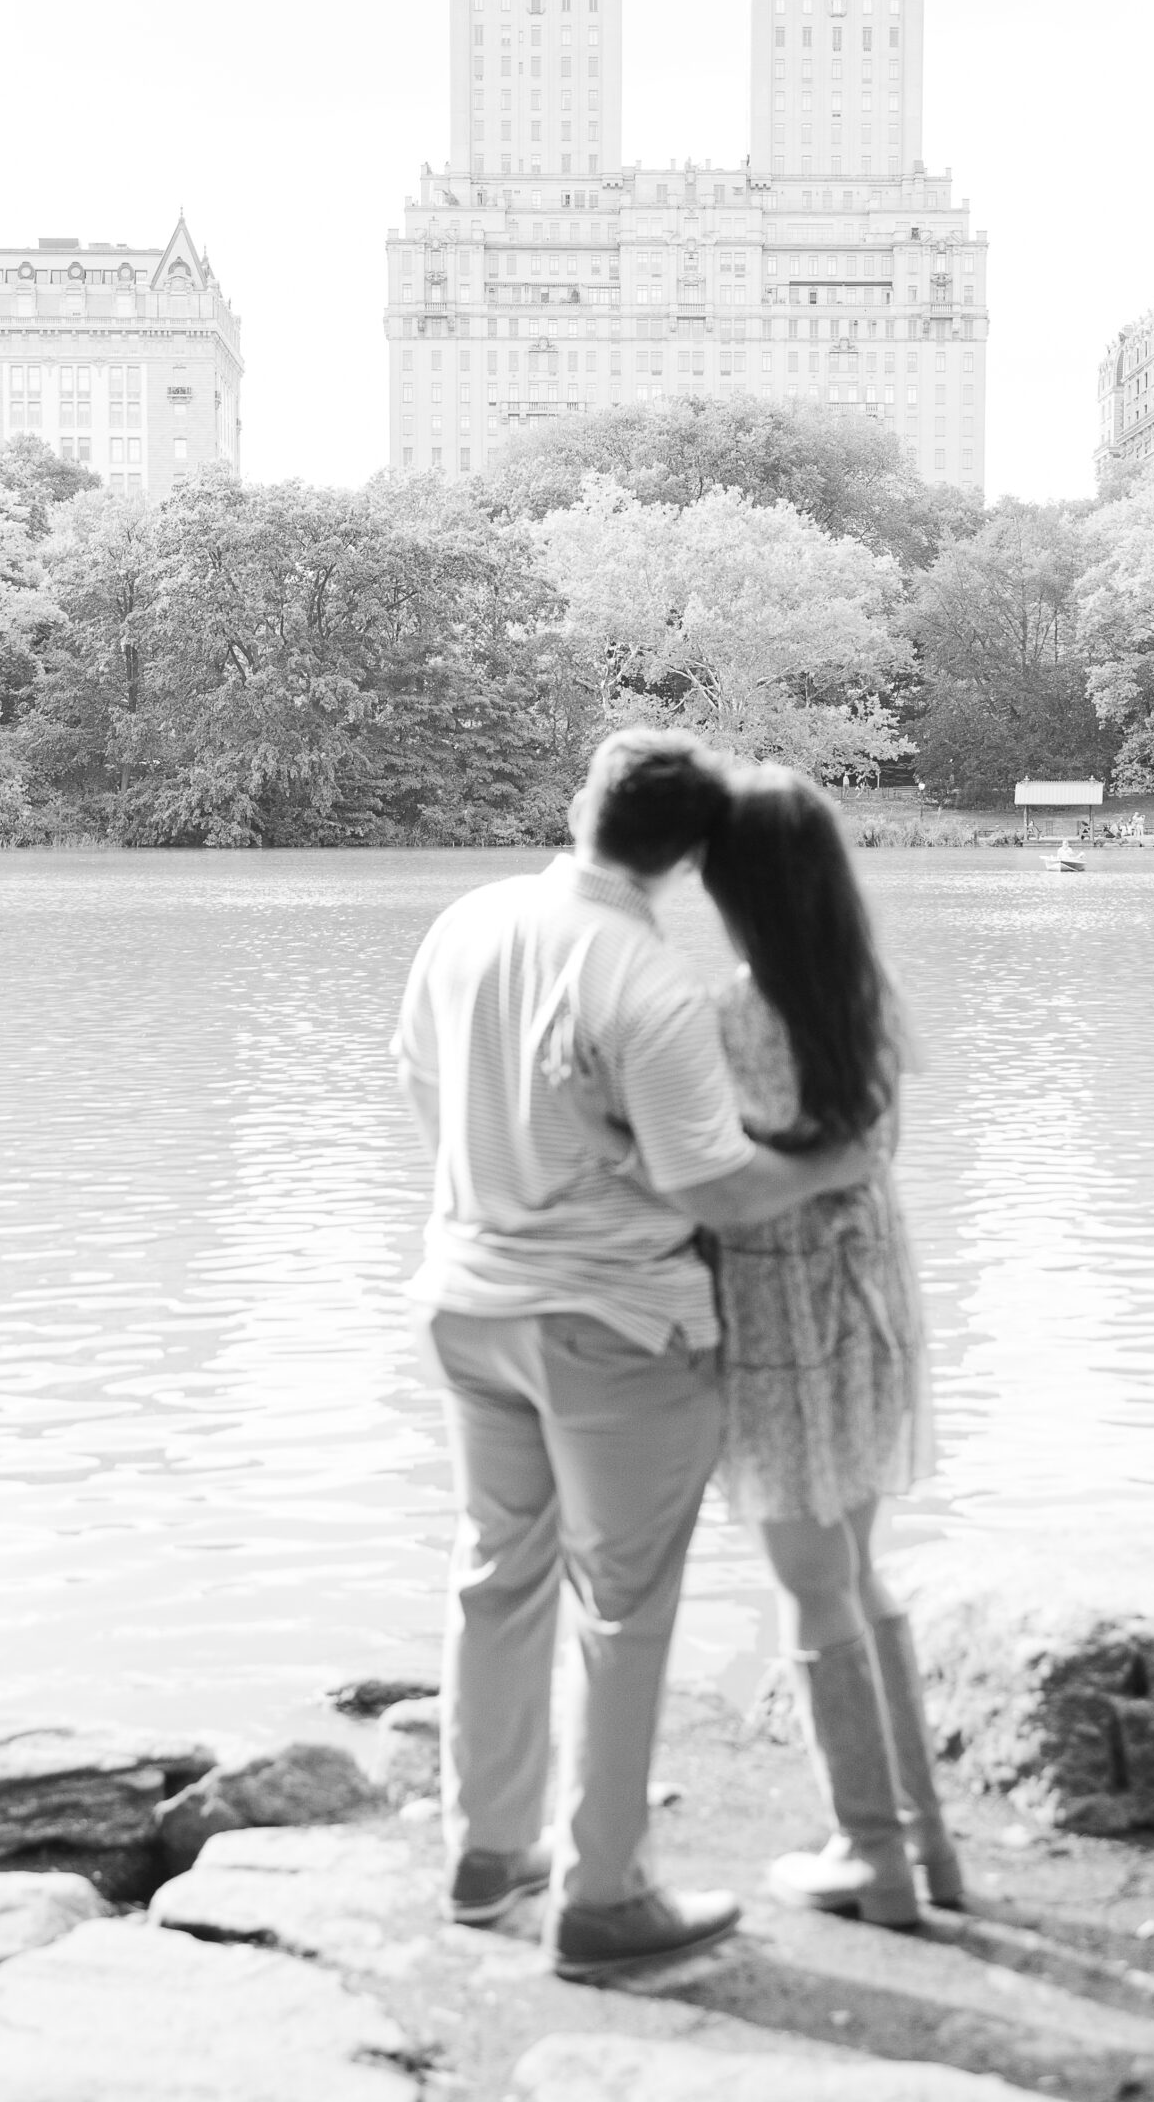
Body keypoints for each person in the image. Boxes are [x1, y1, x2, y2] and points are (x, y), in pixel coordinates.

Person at [393, 729, 879, 1982]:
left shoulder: (470, 920)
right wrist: (834, 1158)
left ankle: (486, 1853)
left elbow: (416, 1077)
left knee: (494, 1575)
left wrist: (507, 1167)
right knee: (621, 1608)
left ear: (581, 806)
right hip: (614, 1324)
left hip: (464, 1296)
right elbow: (712, 1186)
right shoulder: (647, 981)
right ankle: (602, 1897)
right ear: (686, 863)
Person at [699, 765, 961, 1931]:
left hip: (782, 1316)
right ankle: (927, 1849)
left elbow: (719, 1188)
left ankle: (875, 1860)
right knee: (856, 1571)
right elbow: (877, 1145)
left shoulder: (732, 1018)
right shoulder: (869, 992)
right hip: (876, 1300)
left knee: (811, 1585)